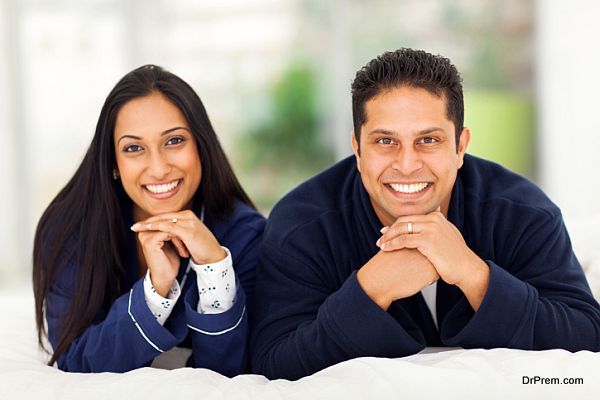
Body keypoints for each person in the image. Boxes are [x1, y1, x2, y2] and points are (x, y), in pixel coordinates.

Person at [250, 48, 600, 380]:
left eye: (428, 140)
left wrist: (473, 274)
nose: (406, 165)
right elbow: (273, 360)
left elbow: (586, 333)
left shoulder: (521, 211)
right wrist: (371, 289)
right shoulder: (300, 225)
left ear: (460, 146)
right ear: (357, 148)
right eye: (385, 141)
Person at [33, 65, 265, 375]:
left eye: (174, 141)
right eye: (133, 148)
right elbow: (76, 361)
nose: (158, 168)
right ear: (113, 162)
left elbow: (232, 375)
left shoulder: (246, 235)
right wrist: (155, 290)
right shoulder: (71, 229)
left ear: (201, 146)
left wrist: (214, 269)